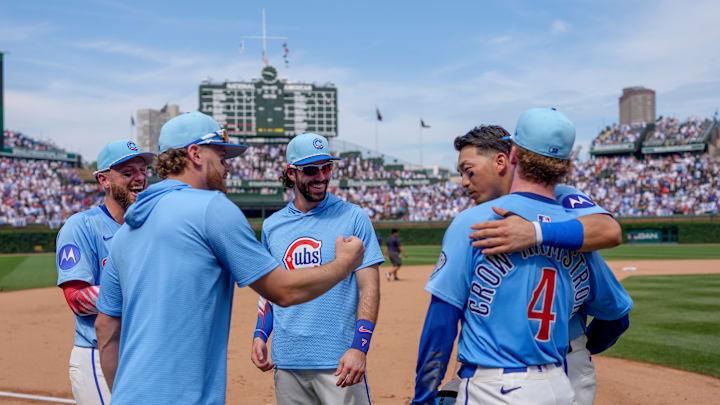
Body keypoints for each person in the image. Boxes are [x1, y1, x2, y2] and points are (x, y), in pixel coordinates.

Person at [94, 113, 365, 405]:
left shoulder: (126, 230)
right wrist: (344, 264)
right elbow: (283, 291)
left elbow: (106, 328)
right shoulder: (211, 208)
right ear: (195, 154)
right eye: (221, 156)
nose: (227, 168)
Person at [412, 109, 633, 404]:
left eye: (468, 170)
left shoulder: (476, 223)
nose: (463, 181)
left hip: (497, 383)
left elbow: (441, 321)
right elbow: (617, 316)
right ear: (565, 163)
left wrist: (534, 232)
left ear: (511, 156)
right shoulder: (572, 225)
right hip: (559, 375)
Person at [250, 132, 384, 405]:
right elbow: (269, 289)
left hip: (339, 361)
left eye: (327, 167)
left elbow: (369, 286)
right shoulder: (273, 226)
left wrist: (360, 348)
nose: (322, 176)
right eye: (311, 170)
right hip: (288, 361)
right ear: (291, 173)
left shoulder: (354, 217)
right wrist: (260, 334)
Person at [55, 139, 155, 405]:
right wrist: (140, 290)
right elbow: (76, 299)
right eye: (127, 172)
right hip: (97, 356)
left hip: (144, 354)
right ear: (104, 180)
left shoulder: (151, 227)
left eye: (143, 170)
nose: (139, 178)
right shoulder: (81, 226)